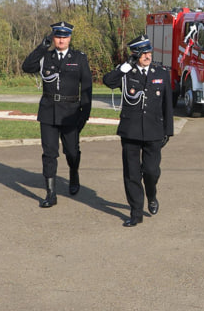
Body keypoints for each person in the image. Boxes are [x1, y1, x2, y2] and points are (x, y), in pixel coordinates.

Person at [103, 35, 174, 227]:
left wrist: (168, 131)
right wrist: (126, 65)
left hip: (154, 130)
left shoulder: (161, 72)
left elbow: (168, 104)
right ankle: (136, 212)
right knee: (132, 174)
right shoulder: (126, 72)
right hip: (130, 130)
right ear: (135, 55)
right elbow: (108, 81)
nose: (147, 56)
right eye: (143, 53)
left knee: (151, 171)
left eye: (149, 52)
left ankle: (151, 195)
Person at [21, 22, 92, 208]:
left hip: (71, 112)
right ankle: (51, 194)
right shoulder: (46, 56)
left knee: (72, 151)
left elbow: (86, 88)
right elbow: (27, 67)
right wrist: (41, 47)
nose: (61, 40)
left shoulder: (79, 58)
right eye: (58, 37)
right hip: (48, 110)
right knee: (49, 153)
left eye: (65, 37)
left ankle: (73, 172)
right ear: (53, 38)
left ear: (70, 38)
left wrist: (85, 113)